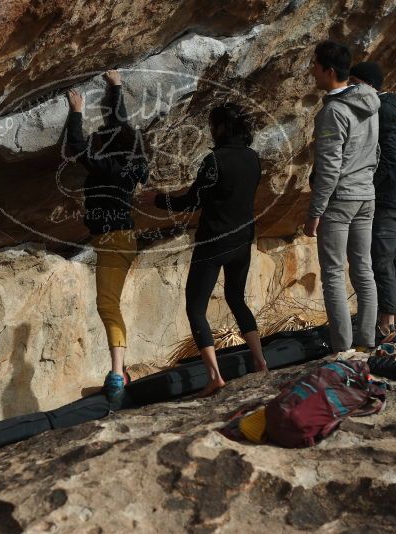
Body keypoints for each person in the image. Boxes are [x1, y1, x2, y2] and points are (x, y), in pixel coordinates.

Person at [153, 103, 267, 398]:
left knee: (195, 307)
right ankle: (260, 361)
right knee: (235, 298)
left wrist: (158, 201)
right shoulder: (254, 158)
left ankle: (215, 376)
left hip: (215, 240)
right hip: (243, 239)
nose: (210, 130)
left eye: (212, 124)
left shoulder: (215, 160)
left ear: (221, 128)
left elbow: (192, 201)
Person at [64, 70, 149, 407]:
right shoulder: (132, 162)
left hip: (114, 241)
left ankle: (117, 373)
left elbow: (77, 146)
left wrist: (76, 111)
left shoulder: (108, 167)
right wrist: (115, 87)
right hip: (120, 239)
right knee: (110, 302)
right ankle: (120, 369)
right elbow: (121, 126)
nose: (100, 138)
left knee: (107, 305)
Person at [304, 41, 380, 353]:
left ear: (329, 70)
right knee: (363, 269)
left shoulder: (332, 113)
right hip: (366, 194)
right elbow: (376, 152)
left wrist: (315, 212)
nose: (313, 71)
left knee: (333, 275)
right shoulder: (372, 103)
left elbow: (328, 168)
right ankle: (367, 343)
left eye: (315, 65)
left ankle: (342, 350)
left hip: (339, 200)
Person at [350, 61, 396, 339]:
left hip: (388, 198)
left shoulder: (383, 110)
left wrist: (368, 184)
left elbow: (388, 155)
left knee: (381, 258)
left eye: (353, 83)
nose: (350, 88)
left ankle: (387, 323)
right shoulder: (391, 107)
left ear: (365, 84)